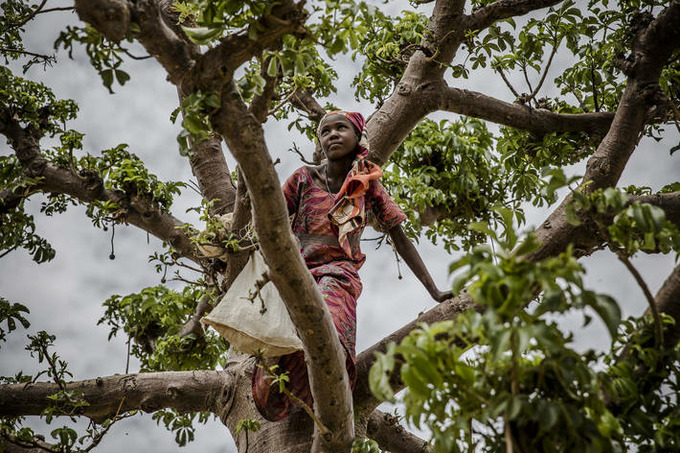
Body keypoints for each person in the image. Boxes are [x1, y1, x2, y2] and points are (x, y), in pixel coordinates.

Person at [251, 110, 452, 421]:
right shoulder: (303, 178)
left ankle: (327, 396)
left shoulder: (367, 184)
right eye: (325, 131)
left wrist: (434, 290)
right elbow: (269, 220)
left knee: (326, 328)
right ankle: (293, 397)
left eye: (340, 128)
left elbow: (400, 237)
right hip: (294, 274)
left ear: (358, 137)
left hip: (339, 274)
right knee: (280, 346)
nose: (332, 134)